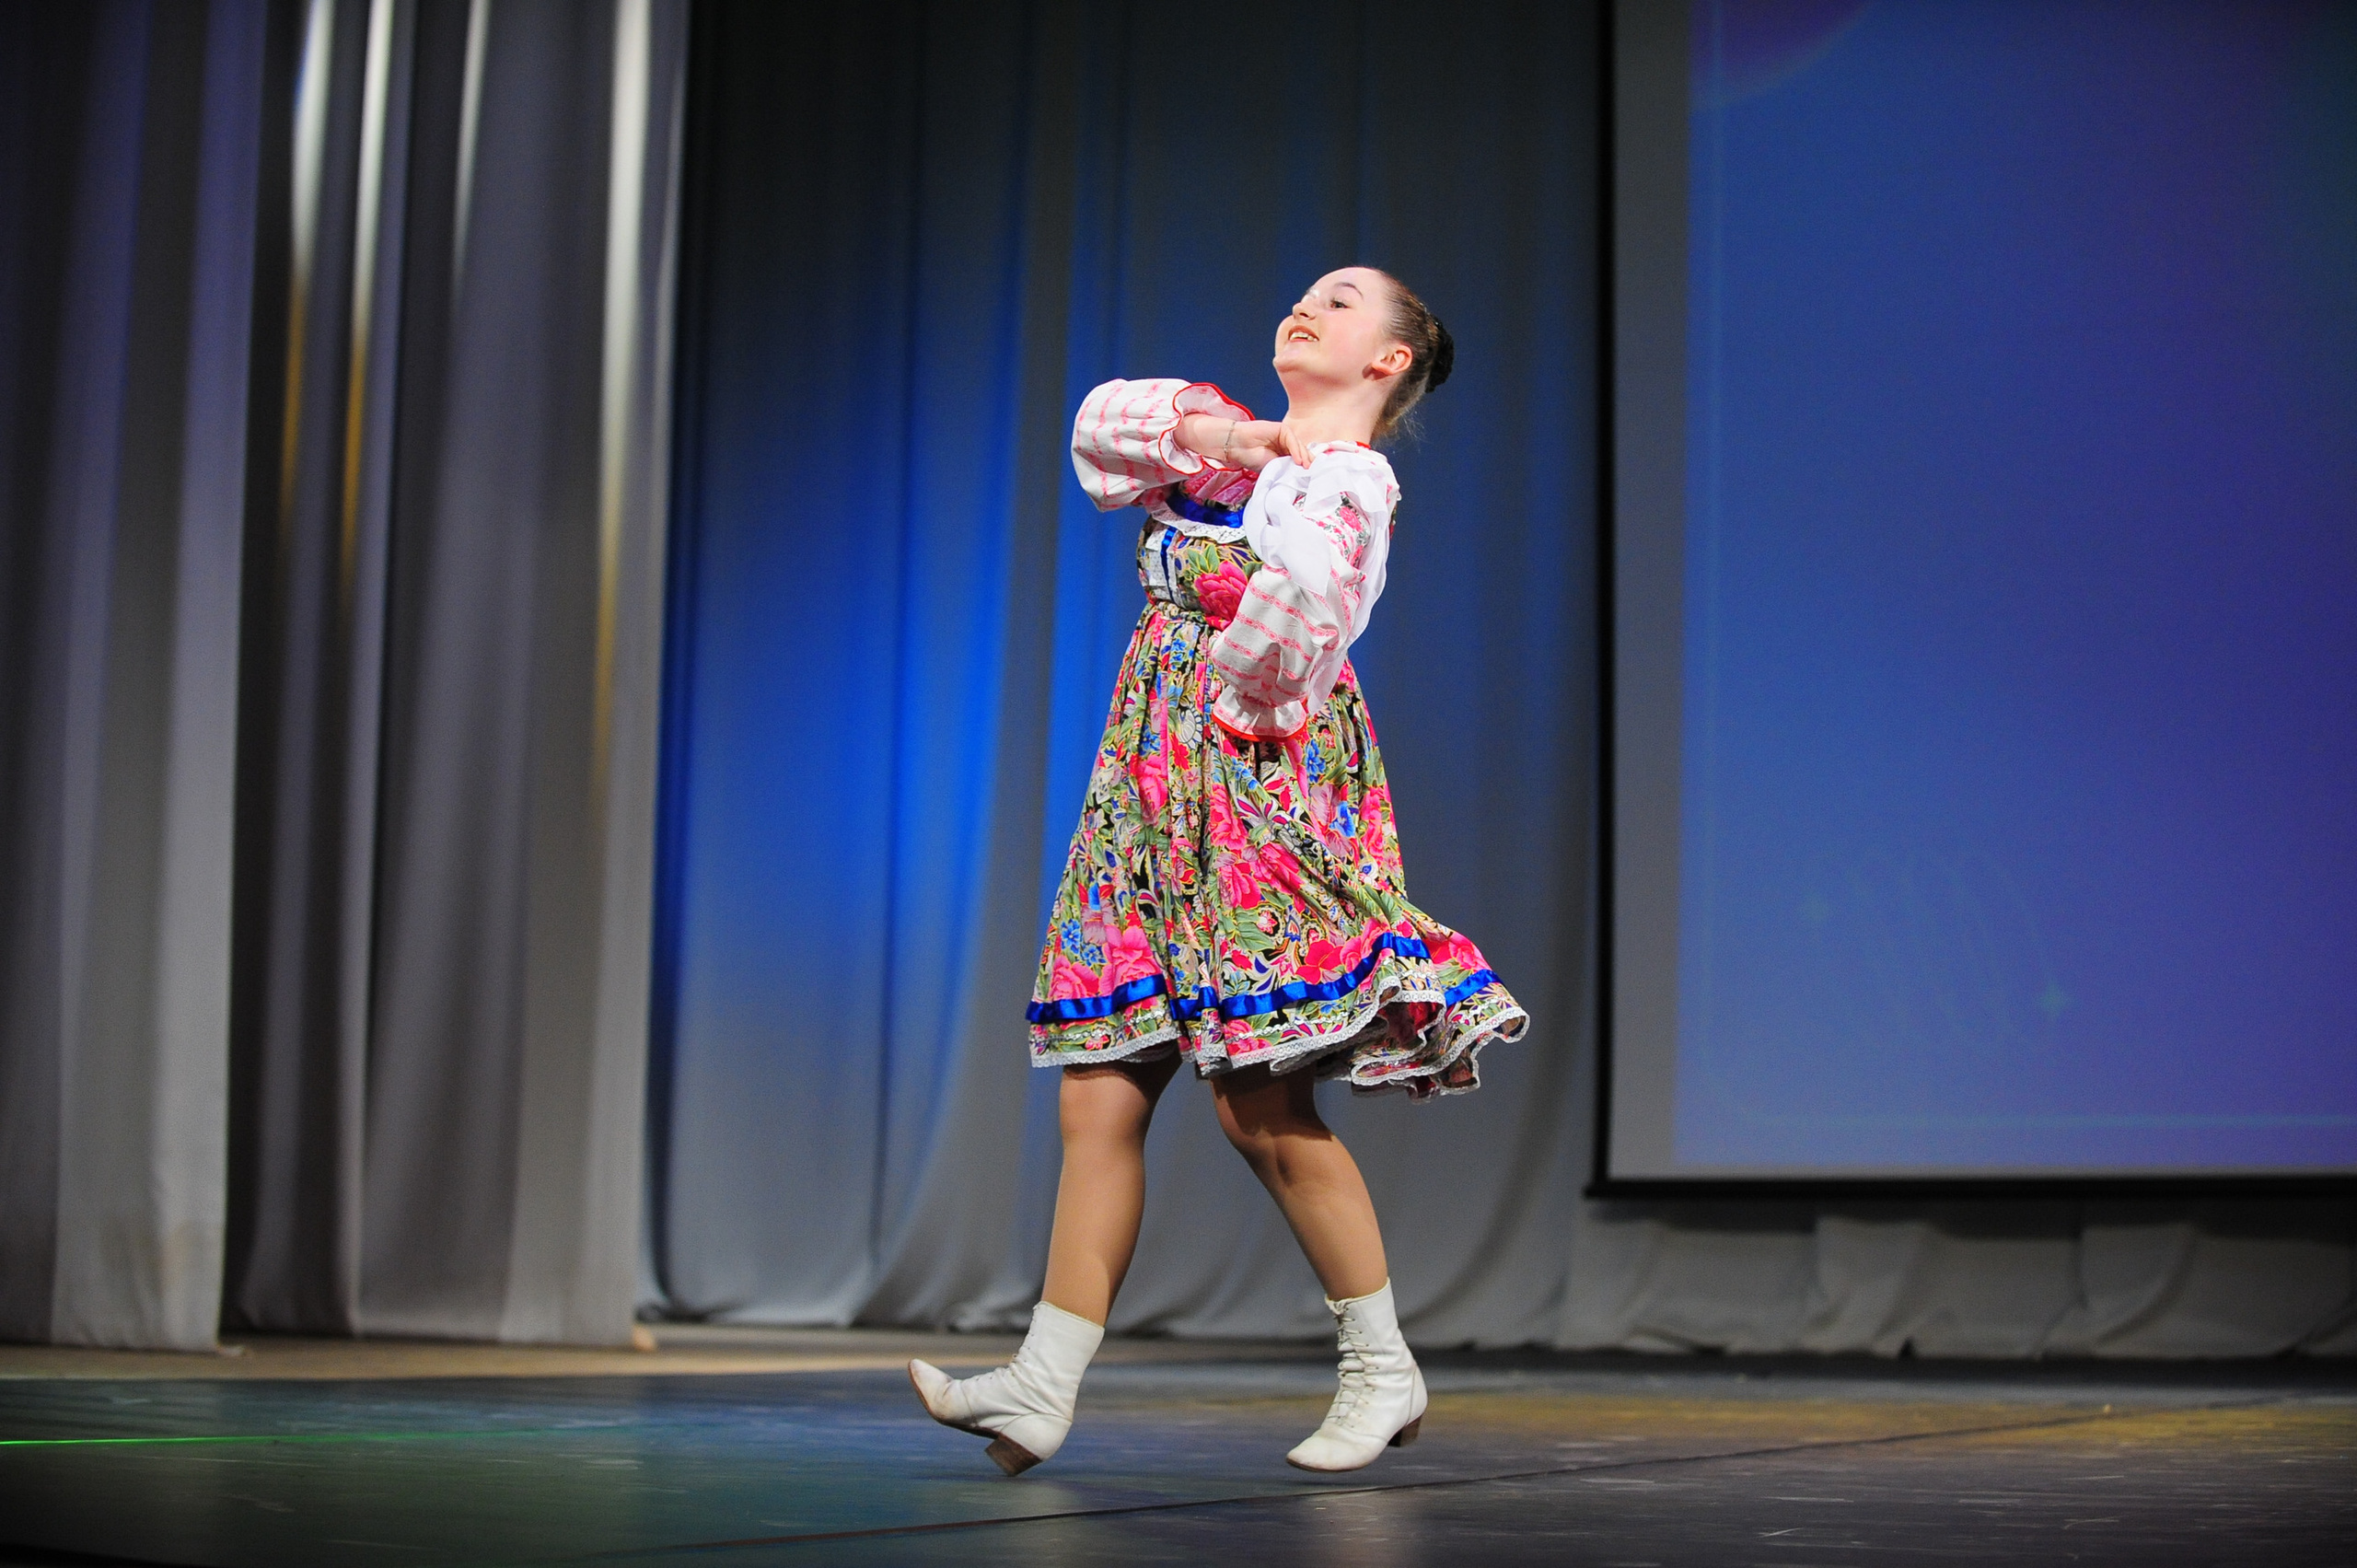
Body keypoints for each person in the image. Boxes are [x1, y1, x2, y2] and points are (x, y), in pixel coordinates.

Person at [909, 267, 1527, 1477]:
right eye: (1306, 293)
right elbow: (1100, 427)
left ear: (1390, 360)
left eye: (1344, 303)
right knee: (1098, 1090)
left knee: (1262, 1109)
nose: (1310, 306)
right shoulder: (1240, 457)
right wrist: (1242, 435)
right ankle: (1040, 1383)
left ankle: (1380, 1368)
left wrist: (1235, 672)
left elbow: (1299, 628)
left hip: (1247, 787)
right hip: (1144, 795)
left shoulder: (1348, 484)